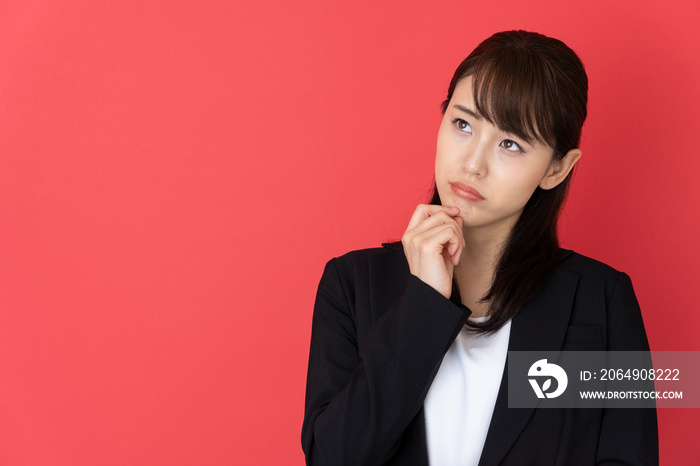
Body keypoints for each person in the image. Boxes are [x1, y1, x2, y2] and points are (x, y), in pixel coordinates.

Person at [301, 30, 659, 465]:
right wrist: (424, 303)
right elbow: (332, 458)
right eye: (463, 124)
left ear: (557, 168)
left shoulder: (602, 301)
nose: (472, 162)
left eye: (510, 143)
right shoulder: (351, 283)